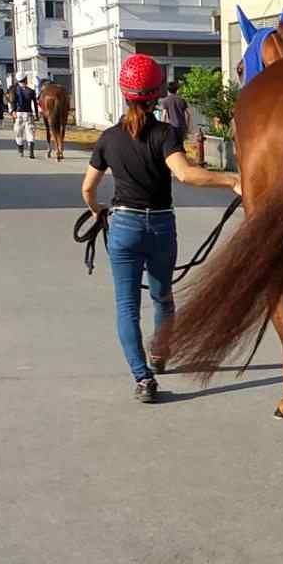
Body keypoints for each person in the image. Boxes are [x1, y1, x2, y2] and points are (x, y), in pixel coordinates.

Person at [81, 54, 240, 403]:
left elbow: (88, 189)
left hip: (122, 224)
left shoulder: (108, 138)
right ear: (155, 95)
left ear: (124, 93)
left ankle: (143, 378)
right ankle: (160, 354)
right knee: (162, 297)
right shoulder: (165, 134)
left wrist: (98, 214)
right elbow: (184, 174)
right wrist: (231, 180)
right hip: (161, 226)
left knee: (126, 305)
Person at [10, 71, 39, 158]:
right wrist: (36, 114)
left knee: (18, 132)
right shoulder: (31, 91)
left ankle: (21, 151)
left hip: (19, 114)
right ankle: (31, 152)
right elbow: (35, 104)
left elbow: (13, 101)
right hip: (29, 114)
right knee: (30, 132)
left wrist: (13, 111)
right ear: (25, 79)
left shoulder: (14, 90)